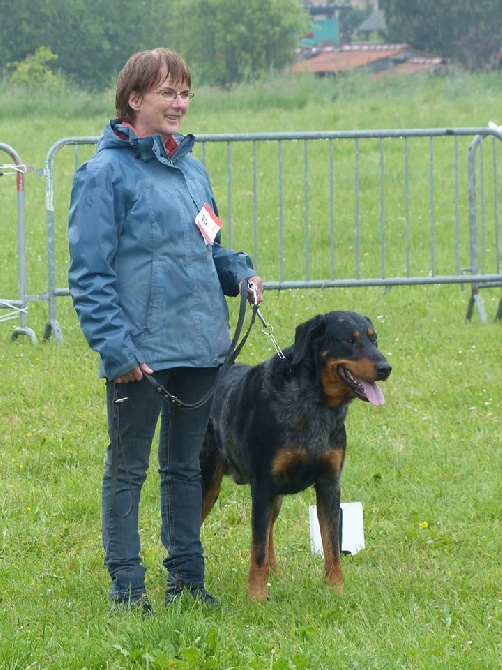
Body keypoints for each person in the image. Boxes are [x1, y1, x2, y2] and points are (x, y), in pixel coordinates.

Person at [68, 48, 264, 613]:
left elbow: (211, 248)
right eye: (167, 93)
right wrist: (115, 348)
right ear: (135, 99)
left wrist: (240, 271)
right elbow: (89, 273)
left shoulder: (191, 169)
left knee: (184, 468)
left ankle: (188, 580)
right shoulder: (104, 173)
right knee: (127, 469)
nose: (179, 104)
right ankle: (127, 587)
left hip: (202, 347)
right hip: (141, 355)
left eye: (185, 94)